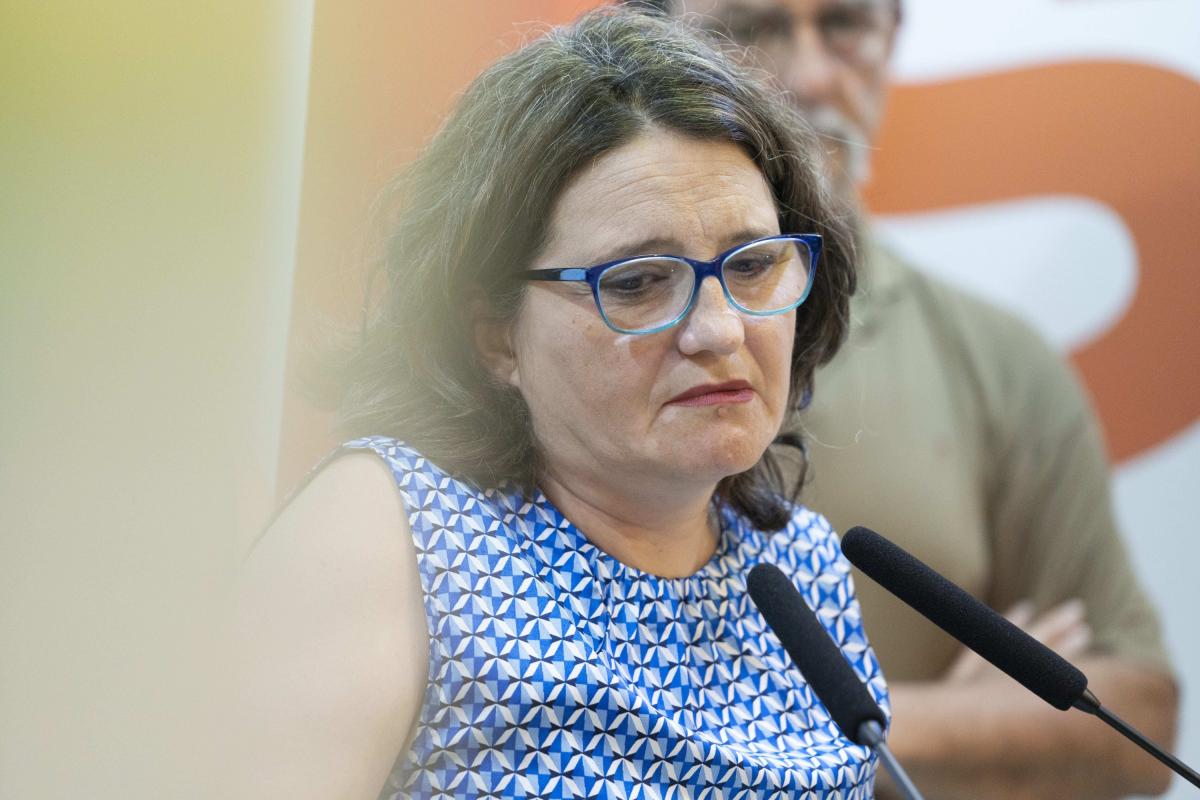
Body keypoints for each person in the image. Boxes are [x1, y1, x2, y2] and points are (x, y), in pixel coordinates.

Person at [234, 10, 889, 799]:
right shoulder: (393, 536)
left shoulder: (800, 562)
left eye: (751, 266)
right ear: (494, 335)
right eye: (638, 282)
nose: (719, 330)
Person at [638, 0, 1180, 797]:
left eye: (845, 24)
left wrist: (876, 723)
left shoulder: (998, 361)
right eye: (750, 29)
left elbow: (1137, 721)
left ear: (893, 38)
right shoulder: (567, 348)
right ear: (649, 49)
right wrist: (951, 728)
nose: (810, 76)